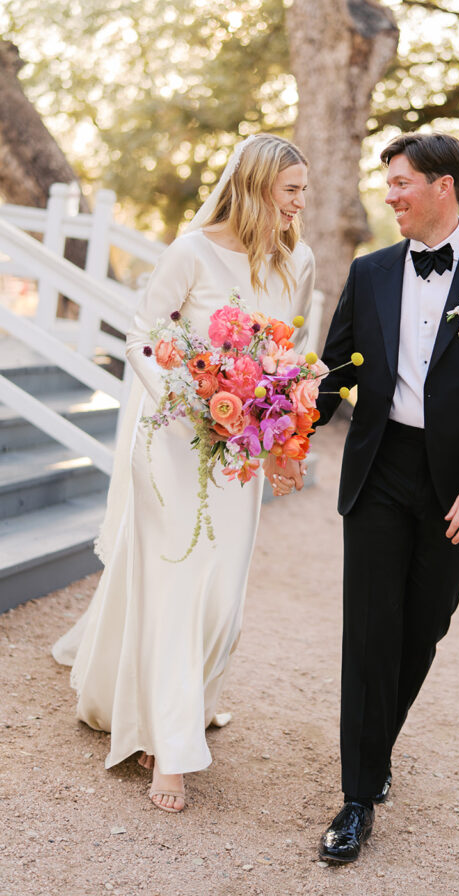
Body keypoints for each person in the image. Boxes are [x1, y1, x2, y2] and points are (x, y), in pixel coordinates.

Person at [53, 133, 314, 813]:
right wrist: (186, 395)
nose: (300, 203)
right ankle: (167, 745)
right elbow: (144, 329)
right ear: (257, 186)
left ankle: (179, 699)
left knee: (221, 592)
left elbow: (295, 352)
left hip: (242, 452)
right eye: (291, 190)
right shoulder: (191, 251)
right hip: (173, 441)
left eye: (303, 192)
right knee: (175, 583)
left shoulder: (301, 261)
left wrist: (284, 432)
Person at [313, 131, 459, 862]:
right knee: (368, 632)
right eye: (389, 183)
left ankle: (374, 755)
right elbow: (334, 369)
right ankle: (355, 796)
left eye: (402, 182)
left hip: (455, 483)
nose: (389, 195)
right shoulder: (370, 270)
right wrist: (271, 420)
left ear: (443, 186)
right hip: (378, 468)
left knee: (422, 628)